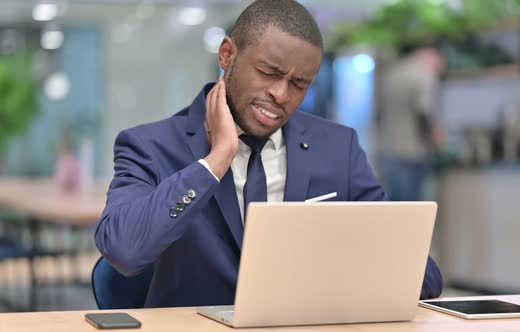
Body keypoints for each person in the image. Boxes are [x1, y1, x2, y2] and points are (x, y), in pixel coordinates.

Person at [94, 0, 443, 308]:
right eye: (268, 72)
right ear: (227, 55)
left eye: (299, 84)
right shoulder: (151, 145)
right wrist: (214, 161)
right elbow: (123, 250)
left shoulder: (339, 148)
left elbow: (423, 278)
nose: (280, 94)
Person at [376, 44, 445, 201]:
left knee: (396, 206)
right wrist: (435, 139)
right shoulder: (424, 75)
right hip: (413, 153)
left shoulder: (393, 72)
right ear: (433, 55)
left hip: (388, 150)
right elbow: (424, 114)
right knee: (413, 209)